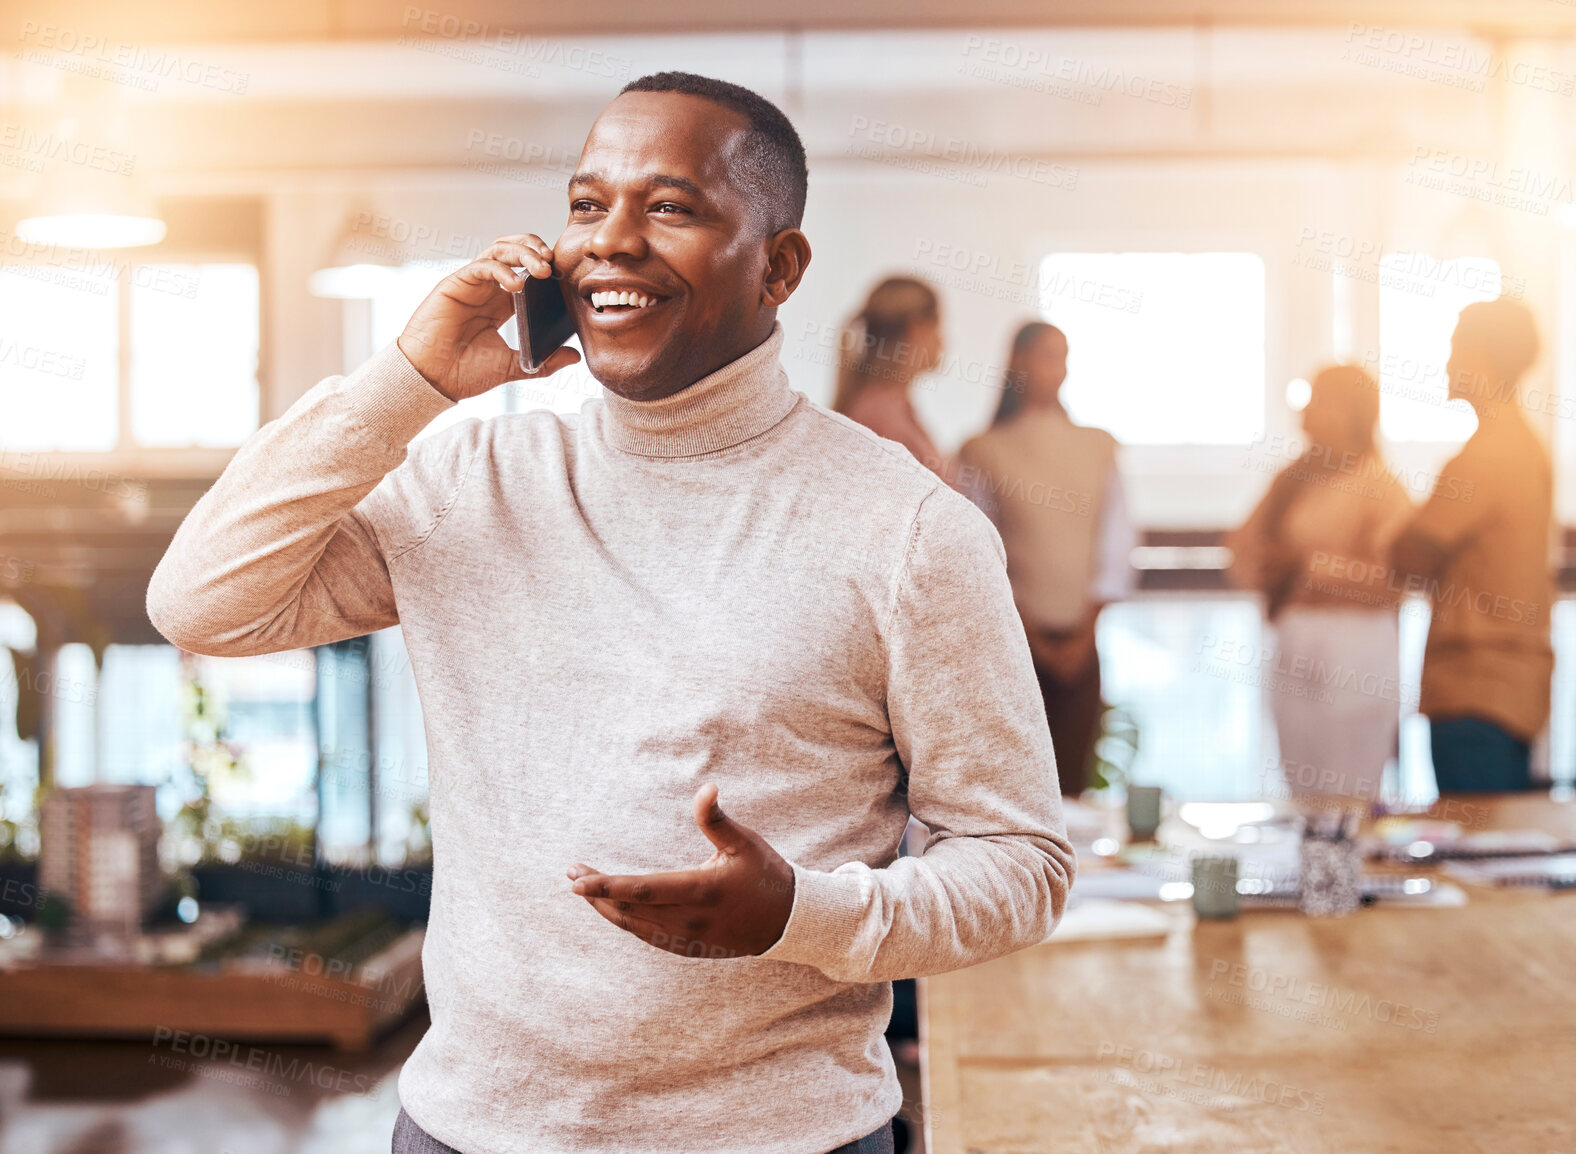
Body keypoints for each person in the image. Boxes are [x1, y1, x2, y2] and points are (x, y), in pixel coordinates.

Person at [148, 72, 1072, 1154]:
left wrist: (799, 914)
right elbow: (202, 599)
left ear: (780, 266)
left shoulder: (908, 527)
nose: (611, 241)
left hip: (784, 1138)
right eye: (588, 205)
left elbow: (1020, 862)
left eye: (671, 207)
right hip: (466, 1130)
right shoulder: (472, 478)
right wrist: (408, 380)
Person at [955, 322, 1133, 797]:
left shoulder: (1099, 447)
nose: (1058, 369)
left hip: (1081, 645)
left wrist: (1085, 631)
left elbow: (1115, 545)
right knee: (1017, 788)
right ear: (1018, 364)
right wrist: (1030, 633)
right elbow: (977, 554)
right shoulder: (983, 450)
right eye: (1047, 356)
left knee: (1073, 783)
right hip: (1011, 647)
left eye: (1064, 357)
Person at [1227, 366, 1414, 810]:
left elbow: (1395, 582)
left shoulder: (1381, 487)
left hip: (1356, 646)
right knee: (1303, 787)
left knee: (1348, 788)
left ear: (1351, 412)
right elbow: (1242, 550)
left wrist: (1311, 565)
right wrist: (1273, 567)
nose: (1307, 412)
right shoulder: (1292, 480)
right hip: (1296, 638)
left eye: (1320, 400)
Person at [1389, 298, 1554, 793]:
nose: (1446, 364)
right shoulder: (1522, 445)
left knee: (1478, 856)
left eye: (1456, 349)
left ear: (1483, 357)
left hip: (1476, 688)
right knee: (1494, 851)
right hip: (1506, 688)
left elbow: (1407, 555)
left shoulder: (1486, 456)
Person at [832, 276, 954, 483]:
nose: (942, 341)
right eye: (938, 327)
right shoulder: (881, 420)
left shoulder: (890, 411)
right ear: (918, 328)